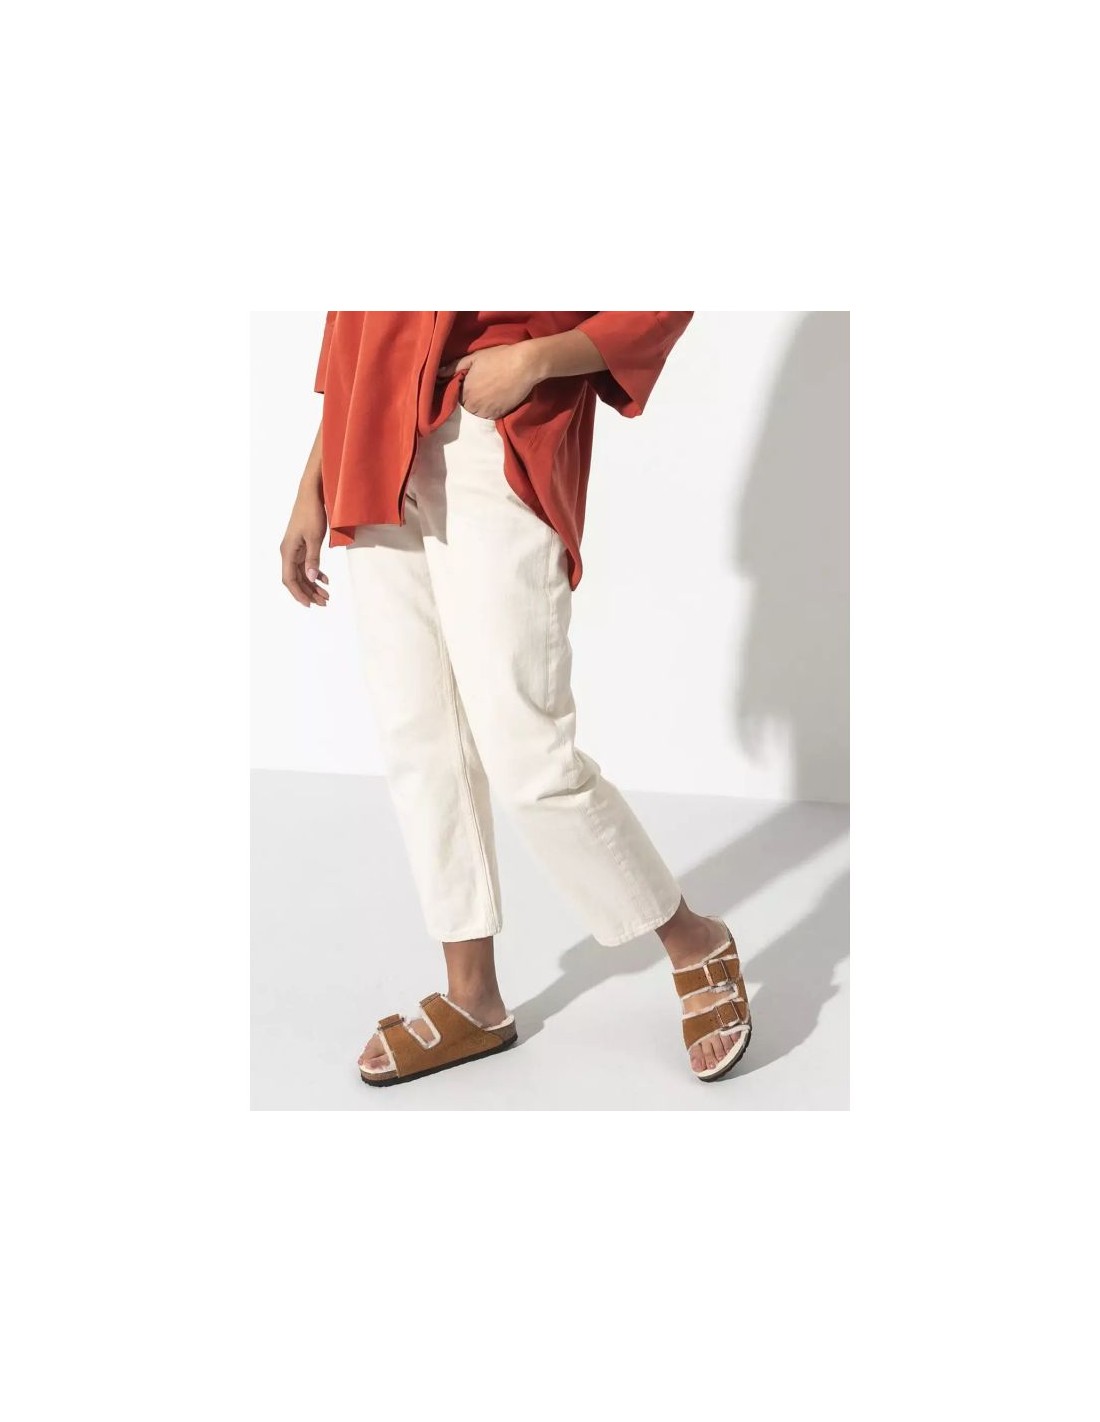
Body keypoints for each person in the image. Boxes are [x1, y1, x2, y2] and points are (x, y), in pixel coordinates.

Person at [280, 311, 752, 1086]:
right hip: (368, 443)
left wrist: (537, 361)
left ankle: (693, 941)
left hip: (488, 435)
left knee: (527, 751)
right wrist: (314, 481)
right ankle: (472, 997)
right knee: (420, 741)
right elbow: (355, 327)